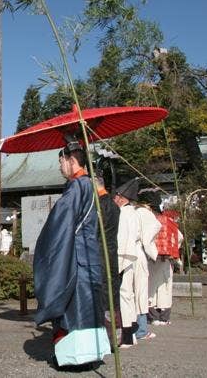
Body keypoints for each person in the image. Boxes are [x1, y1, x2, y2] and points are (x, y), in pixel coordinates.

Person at [33, 136, 111, 368]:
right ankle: (90, 354)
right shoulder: (90, 186)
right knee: (89, 308)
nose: (60, 167)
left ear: (70, 159)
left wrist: (46, 248)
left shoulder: (77, 187)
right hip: (91, 258)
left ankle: (72, 357)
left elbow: (59, 225)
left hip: (75, 259)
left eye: (60, 162)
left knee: (74, 309)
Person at [92, 176, 121, 347]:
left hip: (100, 254)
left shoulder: (100, 205)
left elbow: (94, 230)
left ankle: (106, 338)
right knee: (112, 295)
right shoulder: (114, 205)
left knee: (102, 295)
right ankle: (114, 335)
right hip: (111, 252)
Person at [113, 179, 141, 347]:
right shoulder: (135, 213)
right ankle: (132, 335)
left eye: (116, 196)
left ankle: (127, 337)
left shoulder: (123, 214)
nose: (115, 199)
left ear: (122, 198)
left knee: (123, 297)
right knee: (128, 296)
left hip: (123, 257)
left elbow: (120, 239)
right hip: (132, 256)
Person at [148, 202, 184, 326]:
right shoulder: (170, 223)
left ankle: (153, 317)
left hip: (152, 259)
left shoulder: (151, 221)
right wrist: (174, 250)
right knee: (165, 289)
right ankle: (164, 317)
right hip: (167, 259)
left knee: (151, 288)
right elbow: (179, 237)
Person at [133, 201, 161, 341]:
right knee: (140, 292)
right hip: (138, 254)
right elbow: (153, 230)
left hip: (123, 253)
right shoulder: (144, 213)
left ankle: (127, 328)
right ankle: (141, 329)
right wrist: (152, 253)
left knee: (127, 294)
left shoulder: (126, 211)